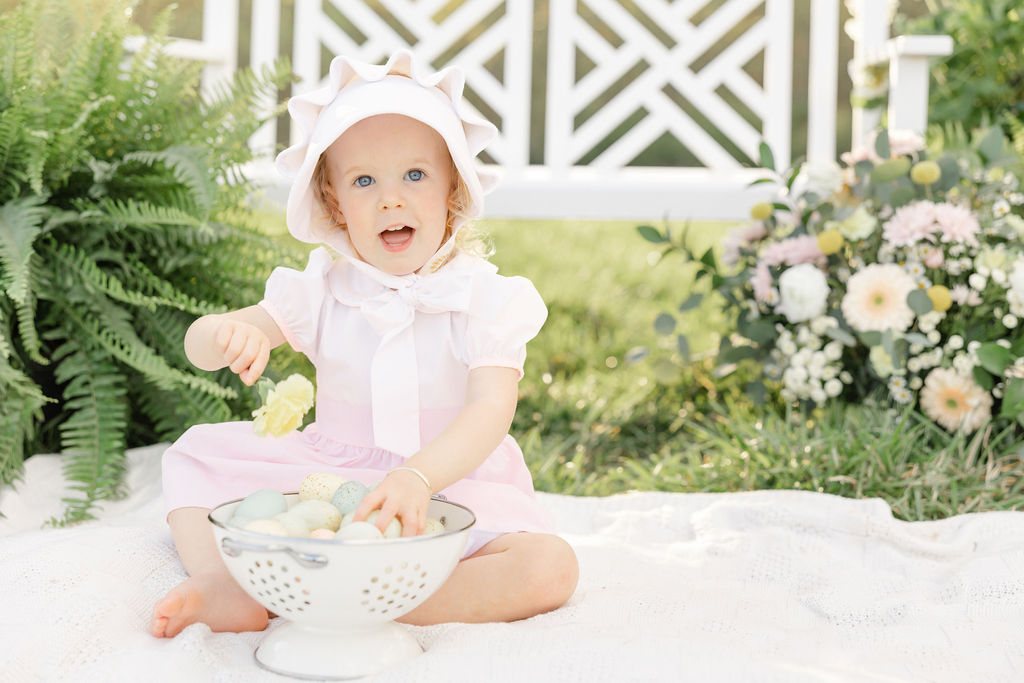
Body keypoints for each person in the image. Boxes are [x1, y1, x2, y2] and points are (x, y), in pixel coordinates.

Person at [149, 50, 579, 638]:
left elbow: (490, 411)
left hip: (447, 479)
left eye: (415, 175)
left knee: (549, 568)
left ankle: (369, 598)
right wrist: (224, 334)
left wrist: (420, 479)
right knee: (195, 457)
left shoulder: (484, 300)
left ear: (453, 188)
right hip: (331, 472)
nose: (390, 199)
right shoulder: (323, 289)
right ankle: (226, 584)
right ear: (334, 204)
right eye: (364, 181)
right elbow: (200, 347)